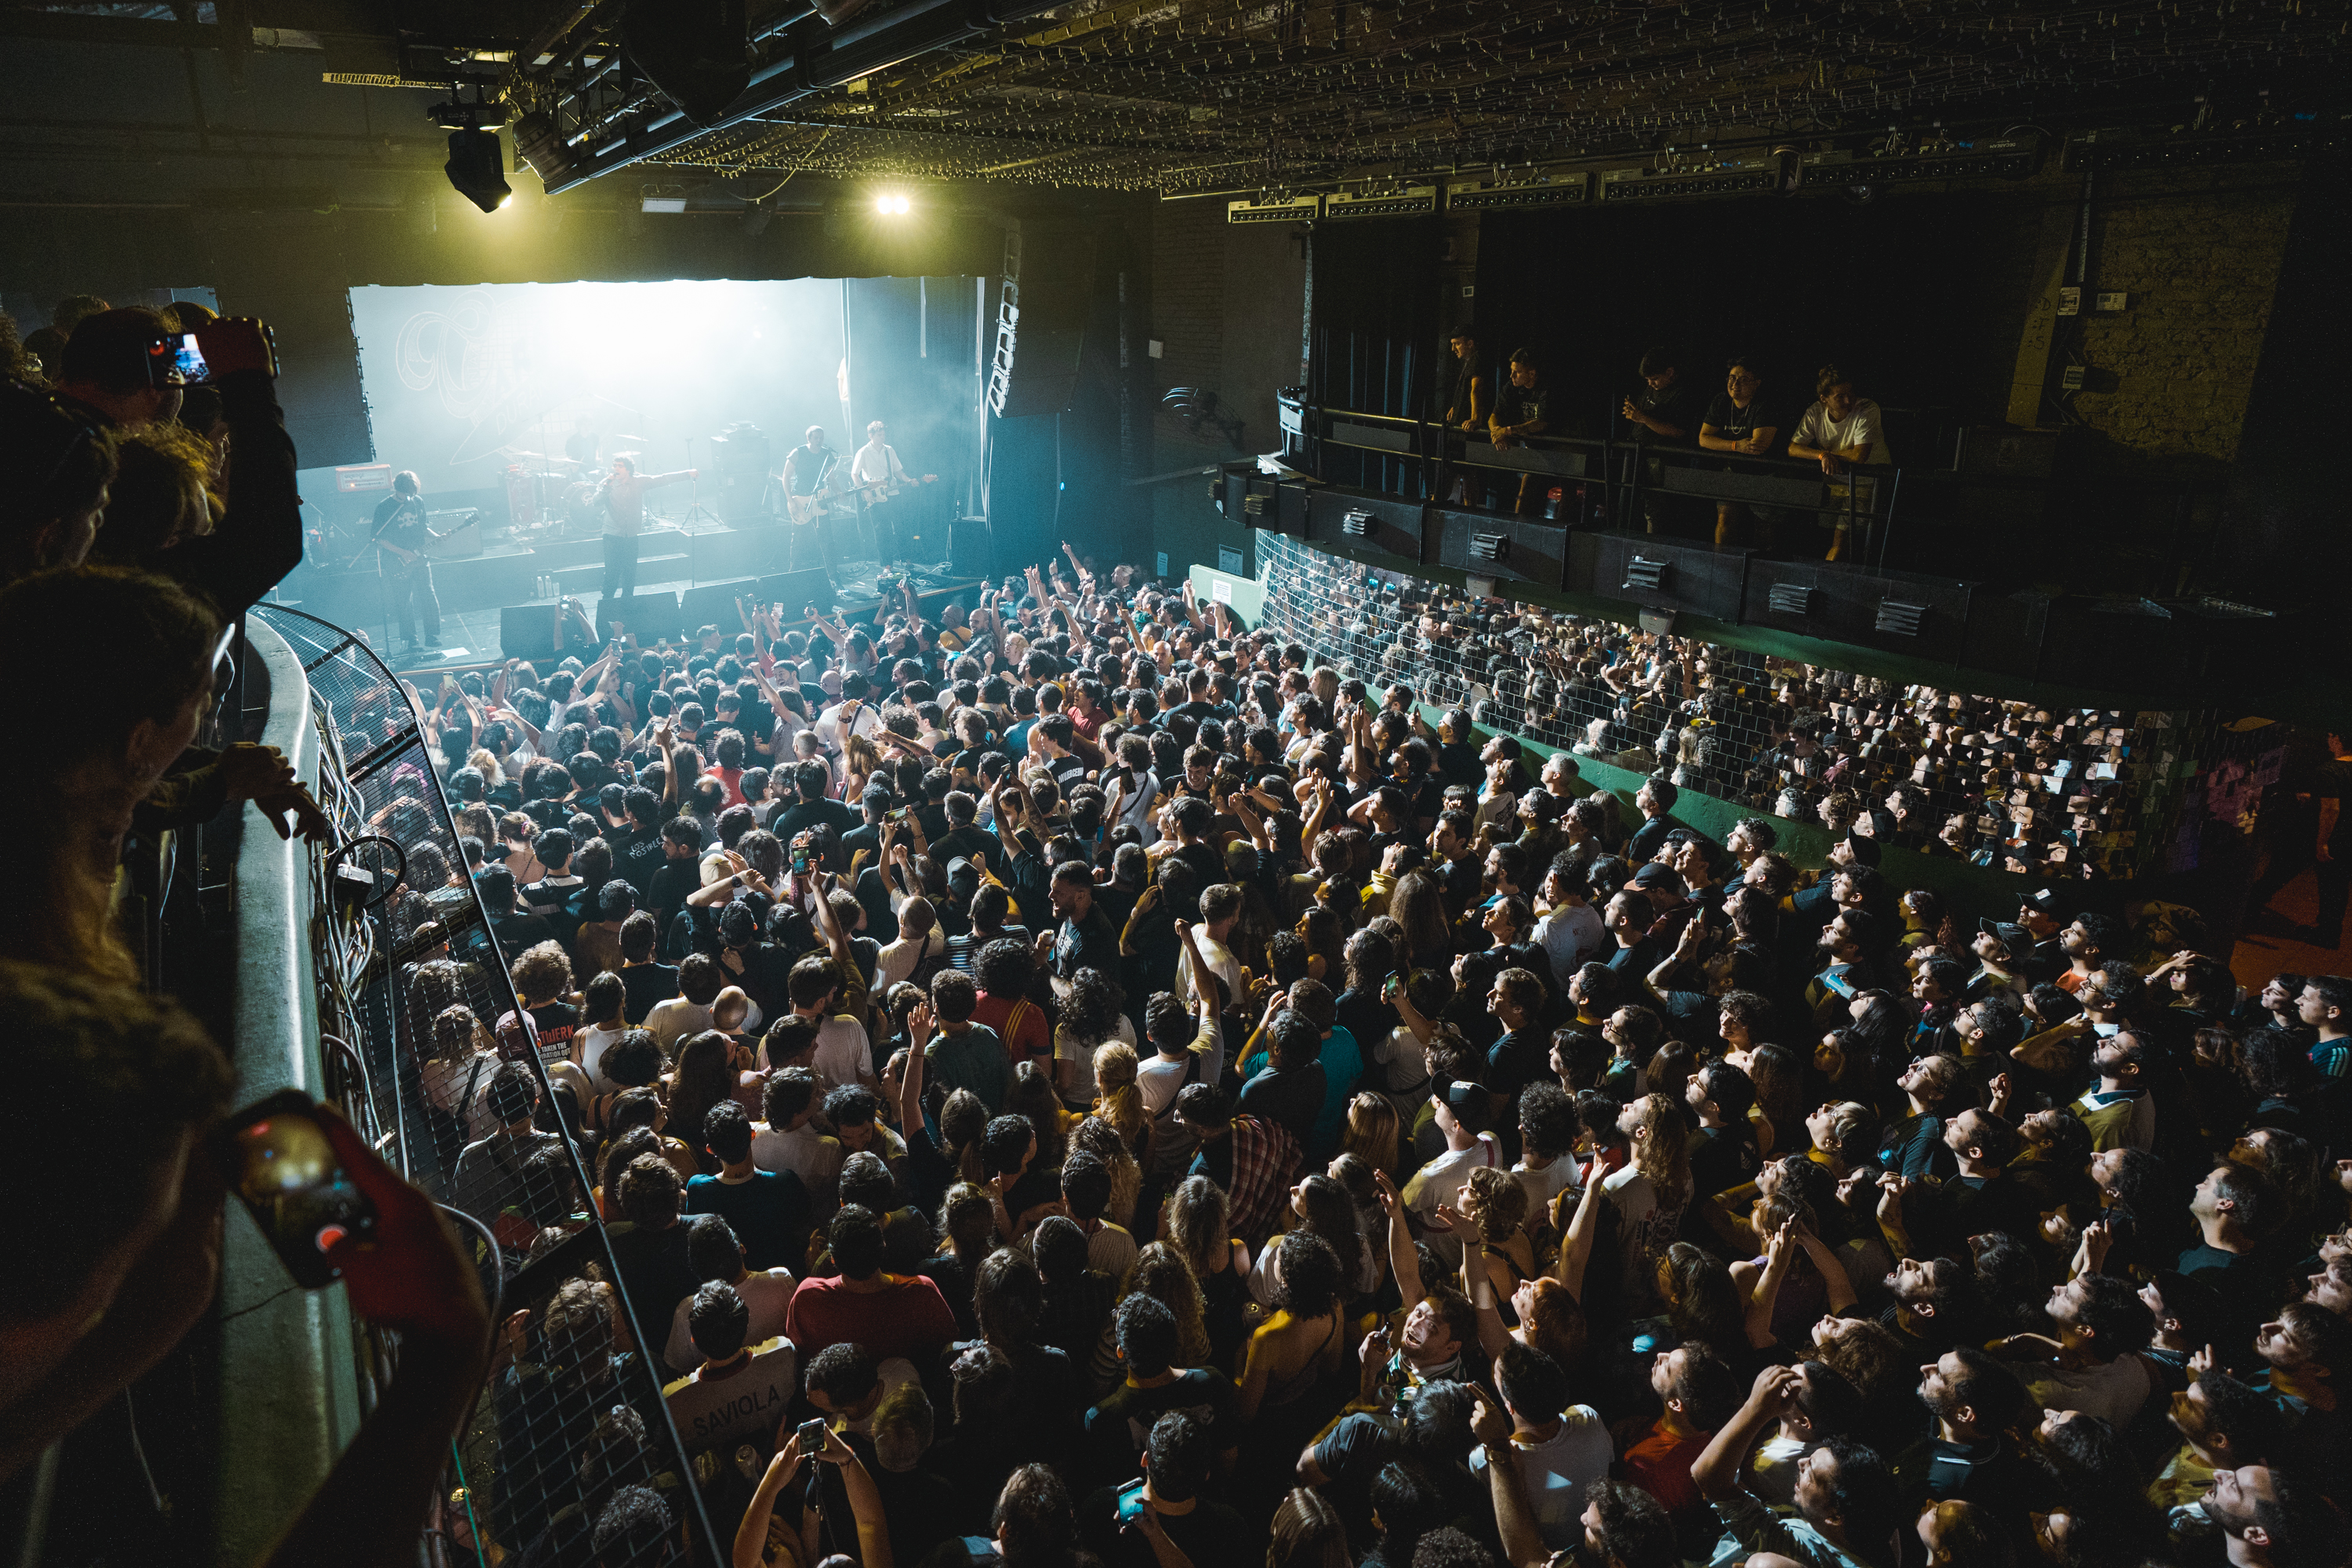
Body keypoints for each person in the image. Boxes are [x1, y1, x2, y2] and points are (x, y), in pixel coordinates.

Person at [1784, 365, 1894, 562]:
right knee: (1826, 533)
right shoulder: (1815, 411)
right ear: (1824, 399)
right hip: (1833, 481)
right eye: (1840, 396)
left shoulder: (1867, 409)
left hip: (1864, 483)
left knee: (1842, 539)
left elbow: (1859, 456)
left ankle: (1826, 579)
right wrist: (1822, 456)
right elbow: (1793, 448)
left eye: (1851, 393)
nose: (1848, 400)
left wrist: (1826, 455)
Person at [588, 453, 695, 617]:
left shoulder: (639, 482)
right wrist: (606, 486)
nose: (616, 469)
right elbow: (595, 501)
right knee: (612, 572)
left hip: (631, 535)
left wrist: (687, 474)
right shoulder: (608, 484)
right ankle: (606, 607)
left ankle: (627, 607)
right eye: (614, 466)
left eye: (620, 466)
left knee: (630, 572)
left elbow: (662, 479)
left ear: (628, 469)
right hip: (612, 535)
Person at [1696, 355, 1783, 546]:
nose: (1735, 383)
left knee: (1764, 527)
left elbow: (1757, 446)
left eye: (1744, 379)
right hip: (1733, 470)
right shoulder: (1721, 401)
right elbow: (1703, 438)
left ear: (1757, 383)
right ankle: (1721, 566)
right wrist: (1736, 446)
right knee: (1725, 520)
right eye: (1732, 378)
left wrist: (1726, 444)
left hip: (1765, 474)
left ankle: (1762, 571)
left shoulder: (1765, 405)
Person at [369, 470, 455, 653]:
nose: (408, 497)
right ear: (397, 488)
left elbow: (423, 526)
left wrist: (436, 536)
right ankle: (411, 639)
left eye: (411, 493)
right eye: (405, 494)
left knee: (428, 595)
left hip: (420, 558)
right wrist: (402, 552)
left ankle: (432, 635)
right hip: (396, 561)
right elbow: (378, 538)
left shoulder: (418, 502)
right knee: (404, 600)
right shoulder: (384, 507)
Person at [850, 418, 933, 562]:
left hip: (893, 493)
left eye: (883, 435)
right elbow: (854, 474)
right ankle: (887, 564)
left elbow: (898, 471)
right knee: (882, 531)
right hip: (875, 497)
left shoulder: (889, 450)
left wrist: (908, 480)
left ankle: (906, 559)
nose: (883, 438)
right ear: (871, 435)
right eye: (879, 435)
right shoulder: (863, 452)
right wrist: (864, 491)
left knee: (900, 528)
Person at [1488, 347, 1553, 515]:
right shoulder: (1512, 385)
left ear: (1531, 374)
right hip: (1532, 448)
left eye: (1517, 372)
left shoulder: (1546, 388)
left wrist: (1508, 431)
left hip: (1554, 447)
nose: (1512, 376)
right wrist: (1497, 432)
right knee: (1523, 494)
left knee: (1564, 490)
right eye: (1512, 371)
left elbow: (1542, 423)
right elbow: (1494, 415)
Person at [780, 423, 840, 570]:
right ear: (809, 438)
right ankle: (793, 572)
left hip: (820, 500)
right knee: (798, 540)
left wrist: (839, 491)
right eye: (816, 438)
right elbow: (786, 477)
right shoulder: (798, 452)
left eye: (821, 438)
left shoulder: (826, 454)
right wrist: (790, 501)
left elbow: (831, 478)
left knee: (827, 540)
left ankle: (832, 574)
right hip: (800, 500)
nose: (819, 440)